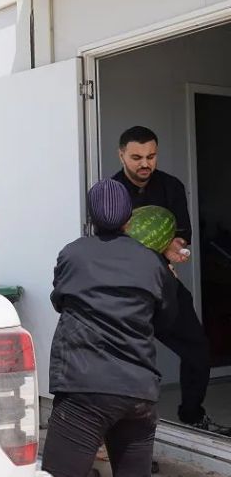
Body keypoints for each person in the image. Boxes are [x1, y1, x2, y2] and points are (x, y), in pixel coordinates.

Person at [41, 179, 178, 477]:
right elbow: (167, 320)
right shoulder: (152, 262)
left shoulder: (72, 254)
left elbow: (60, 301)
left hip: (84, 388)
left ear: (90, 218)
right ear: (130, 217)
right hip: (138, 392)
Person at [112, 126, 228, 434]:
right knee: (127, 361)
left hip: (164, 285)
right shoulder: (111, 191)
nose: (144, 164)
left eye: (151, 156)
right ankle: (124, 429)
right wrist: (155, 246)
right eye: (136, 157)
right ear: (121, 154)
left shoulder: (171, 187)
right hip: (125, 291)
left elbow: (182, 236)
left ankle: (192, 414)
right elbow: (109, 241)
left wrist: (177, 249)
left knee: (198, 351)